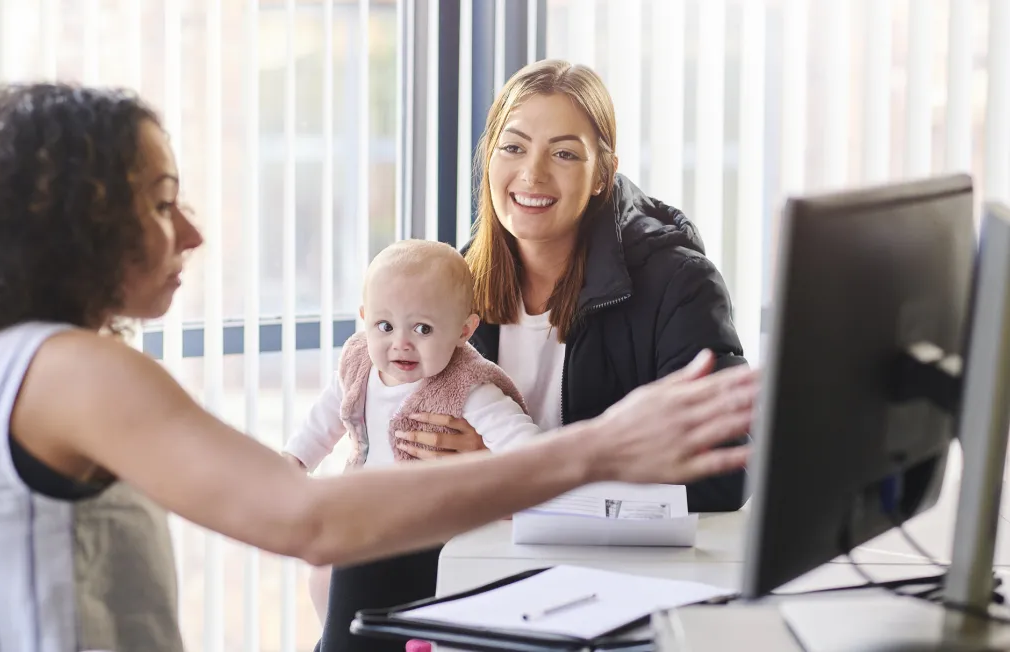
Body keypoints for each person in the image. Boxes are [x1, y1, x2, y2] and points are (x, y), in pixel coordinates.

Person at [0, 83, 756, 652]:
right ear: (73, 223)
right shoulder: (70, 370)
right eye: (163, 202)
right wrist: (600, 449)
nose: (195, 235)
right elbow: (306, 517)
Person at [315, 60, 751, 652]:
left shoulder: (677, 283)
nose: (532, 173)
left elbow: (724, 472)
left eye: (565, 153)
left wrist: (502, 472)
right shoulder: (454, 285)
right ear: (488, 158)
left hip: (603, 560)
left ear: (603, 174)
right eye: (513, 147)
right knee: (360, 553)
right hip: (480, 544)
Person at [284, 238, 543, 624]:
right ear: (364, 317)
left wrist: (492, 474)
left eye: (422, 328)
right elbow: (322, 422)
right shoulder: (359, 366)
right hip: (364, 518)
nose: (400, 344)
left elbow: (530, 451)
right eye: (384, 326)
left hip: (431, 532)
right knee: (323, 578)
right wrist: (293, 463)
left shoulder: (468, 387)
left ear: (464, 330)